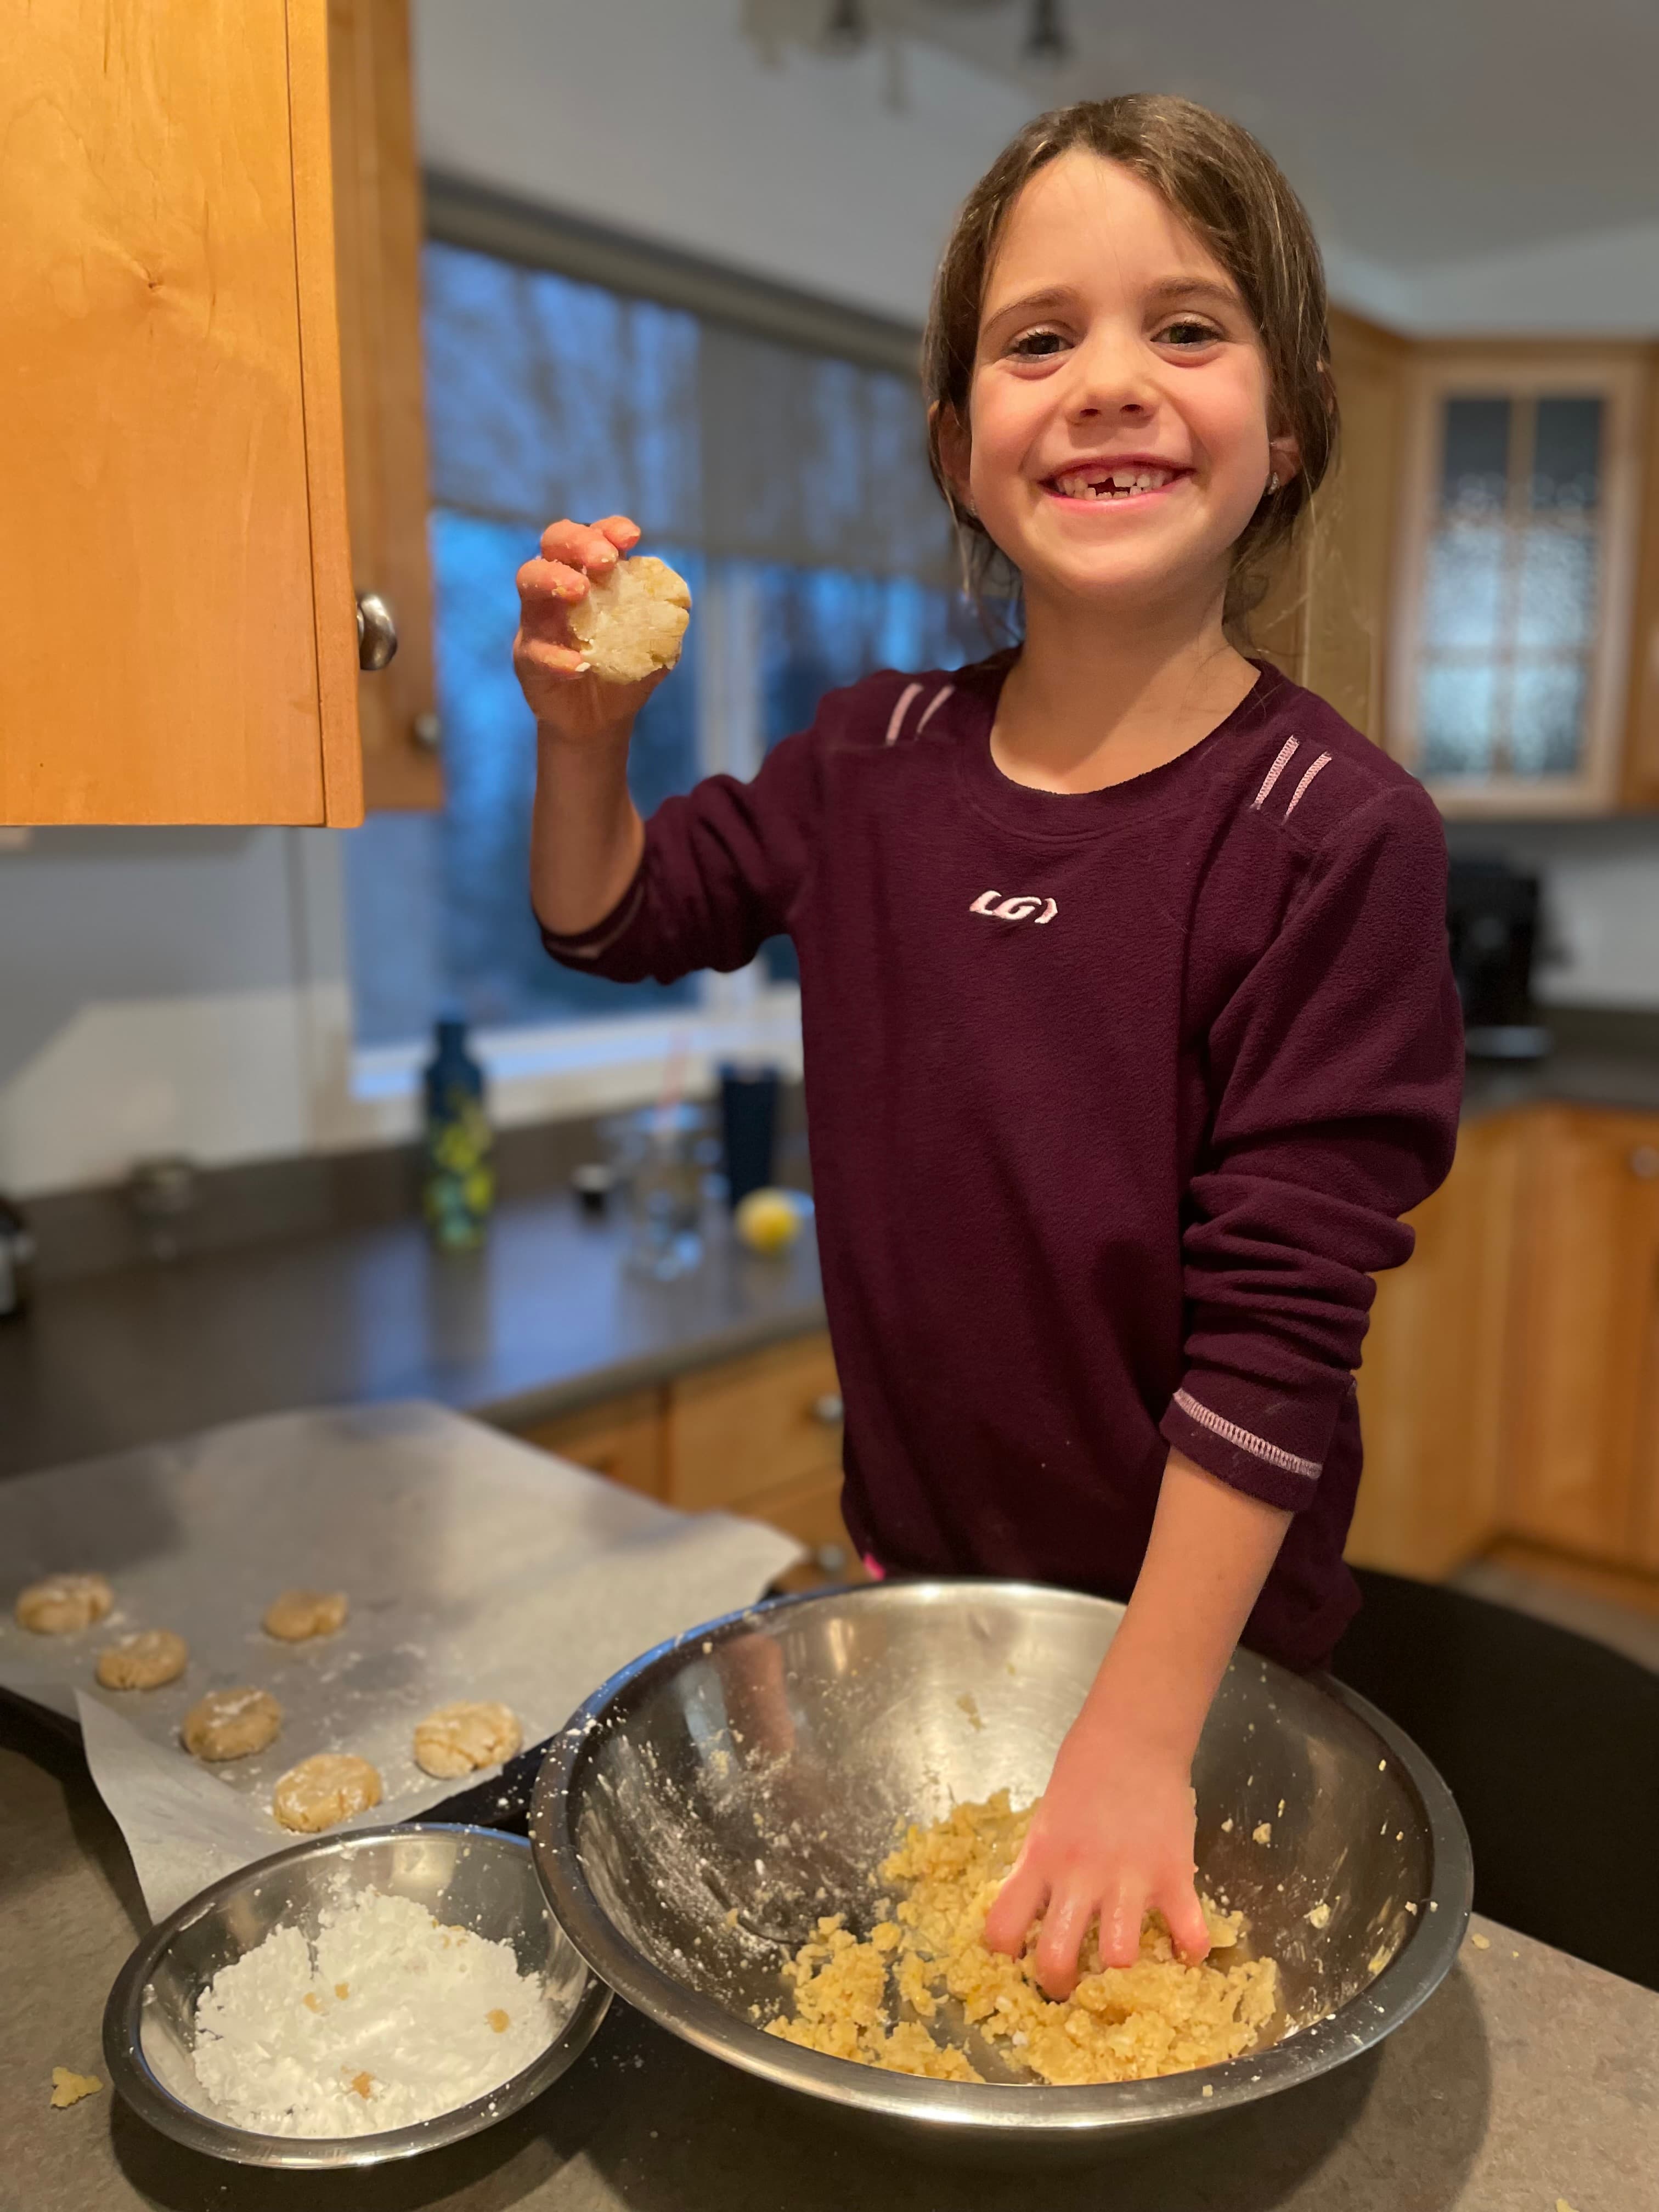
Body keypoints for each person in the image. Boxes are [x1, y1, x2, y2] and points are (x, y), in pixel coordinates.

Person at [511, 95, 1463, 2004]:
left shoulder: (1327, 830)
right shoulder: (870, 761)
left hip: (1204, 1665)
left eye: (1186, 329)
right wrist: (584, 746)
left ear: (1291, 429)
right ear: (962, 448)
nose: (1109, 382)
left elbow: (1281, 1335)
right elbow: (610, 917)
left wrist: (1135, 1734)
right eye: (1041, 341)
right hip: (915, 1606)